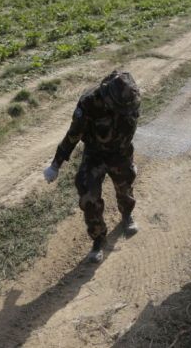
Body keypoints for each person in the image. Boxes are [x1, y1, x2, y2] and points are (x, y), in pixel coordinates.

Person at [43, 71, 141, 263]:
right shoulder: (89, 103)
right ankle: (98, 238)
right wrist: (56, 164)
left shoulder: (131, 97)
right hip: (95, 154)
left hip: (120, 152)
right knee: (88, 195)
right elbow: (74, 135)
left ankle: (127, 214)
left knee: (125, 187)